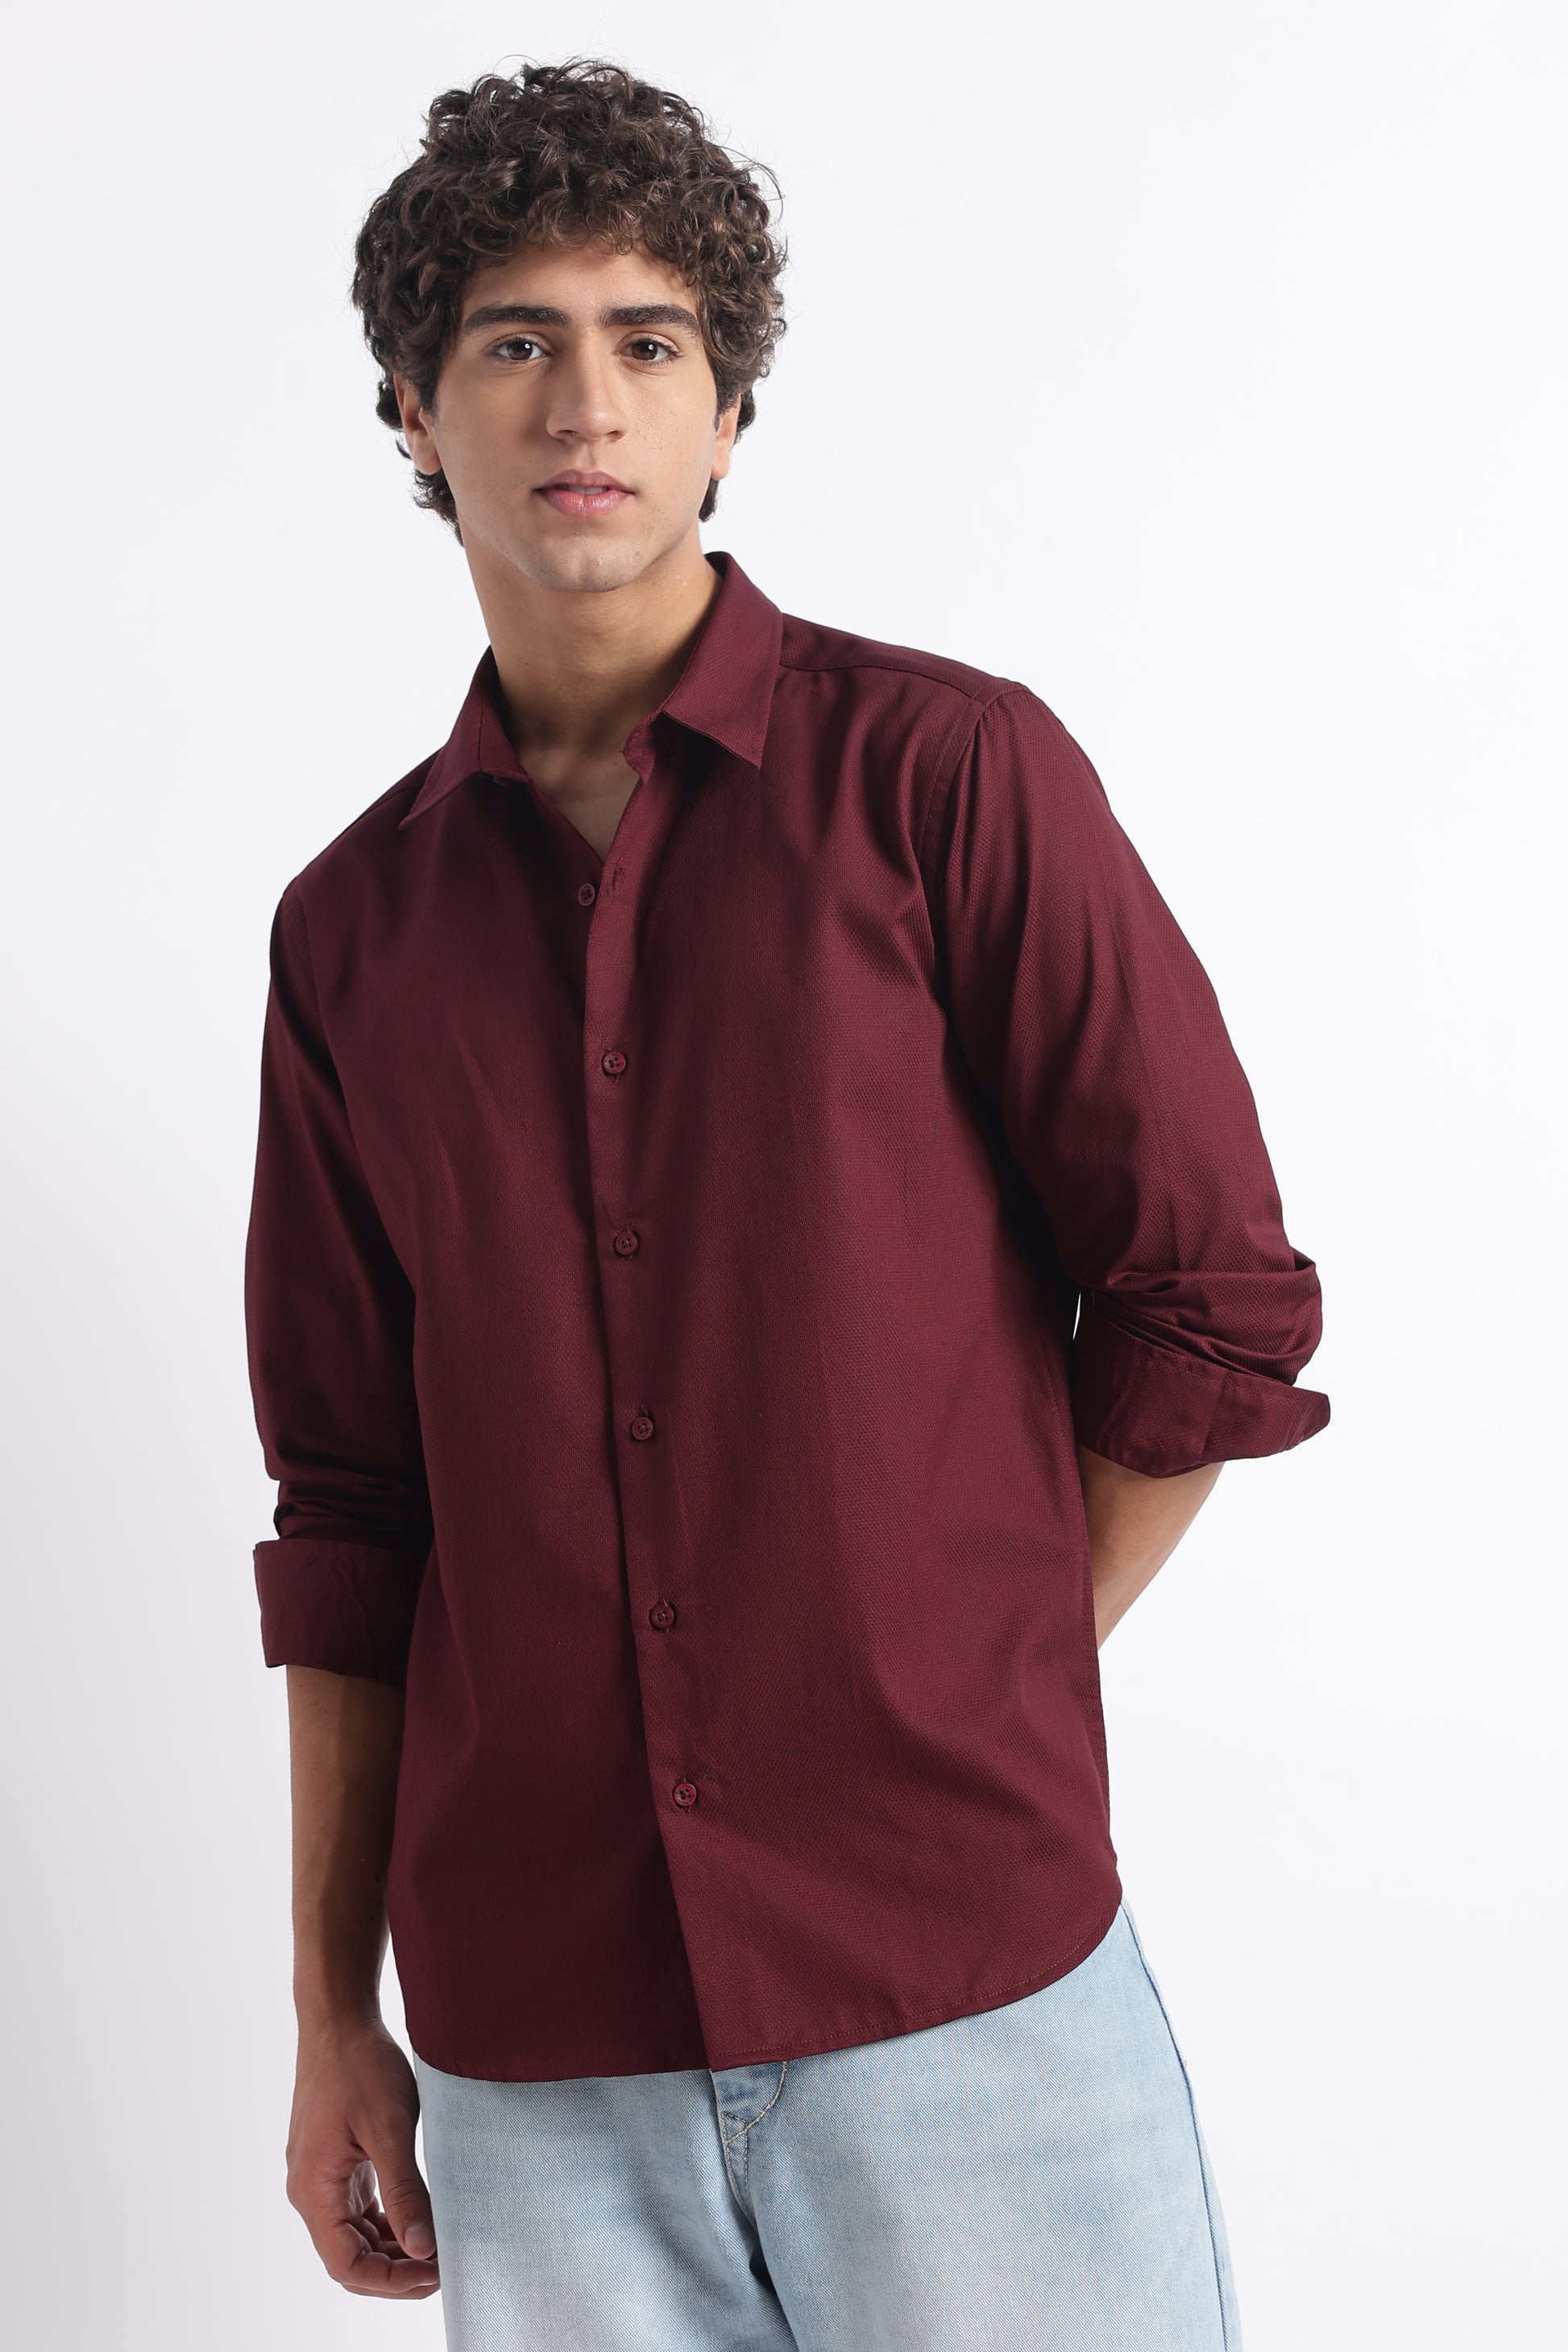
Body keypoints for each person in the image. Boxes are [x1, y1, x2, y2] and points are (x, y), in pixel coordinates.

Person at [244, 57, 1328, 2352]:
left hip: (966, 1989)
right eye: (515, 341)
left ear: (728, 410)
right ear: (414, 415)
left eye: (648, 340)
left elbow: (1206, 1304)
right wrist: (337, 2012)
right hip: (537, 2044)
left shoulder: (948, 779)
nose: (586, 402)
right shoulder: (348, 938)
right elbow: (349, 1505)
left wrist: (963, 1674)